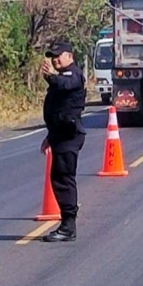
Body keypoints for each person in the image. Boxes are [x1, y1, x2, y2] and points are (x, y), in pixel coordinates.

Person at [40, 42, 87, 242]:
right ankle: (66, 224)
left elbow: (65, 84)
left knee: (64, 179)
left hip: (69, 136)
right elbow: (59, 110)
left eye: (58, 56)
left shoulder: (72, 74)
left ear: (69, 56)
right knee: (59, 178)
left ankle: (68, 227)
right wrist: (49, 137)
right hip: (60, 135)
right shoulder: (60, 77)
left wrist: (51, 76)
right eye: (52, 57)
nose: (55, 60)